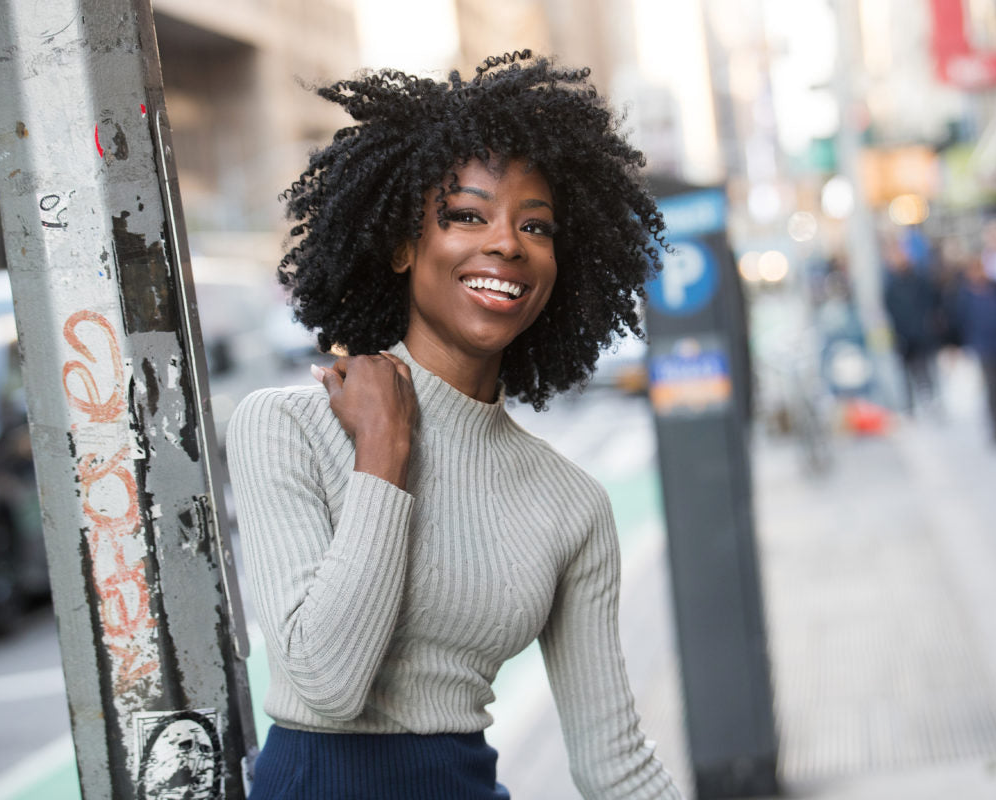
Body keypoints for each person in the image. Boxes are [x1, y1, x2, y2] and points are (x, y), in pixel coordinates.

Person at [226, 51, 682, 799]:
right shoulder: (285, 427)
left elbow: (617, 765)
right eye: (468, 215)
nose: (506, 243)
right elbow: (327, 685)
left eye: (535, 227)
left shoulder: (571, 504)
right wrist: (384, 452)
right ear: (405, 245)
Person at [948, 255, 996, 446]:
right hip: (983, 345)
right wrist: (956, 346)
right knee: (992, 384)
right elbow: (959, 322)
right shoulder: (964, 296)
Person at [881, 238, 941, 416]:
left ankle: (932, 401)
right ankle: (910, 407)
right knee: (906, 375)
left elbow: (930, 302)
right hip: (903, 337)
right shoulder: (890, 285)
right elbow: (889, 311)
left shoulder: (919, 279)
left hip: (921, 334)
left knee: (926, 371)